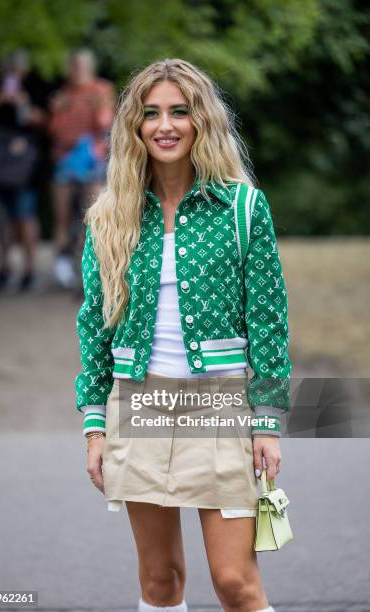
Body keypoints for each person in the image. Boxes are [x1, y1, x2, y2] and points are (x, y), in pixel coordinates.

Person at [75, 59, 292, 612]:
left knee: (235, 583)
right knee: (161, 581)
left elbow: (268, 321)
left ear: (201, 121)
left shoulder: (243, 208)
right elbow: (95, 326)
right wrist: (95, 426)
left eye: (179, 111)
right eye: (150, 114)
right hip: (139, 403)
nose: (164, 125)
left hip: (220, 407)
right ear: (134, 126)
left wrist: (266, 422)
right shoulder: (110, 216)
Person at [0, 49, 45, 292]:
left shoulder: (33, 88)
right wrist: (0, 98)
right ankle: (4, 268)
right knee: (2, 214)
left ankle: (29, 269)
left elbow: (40, 121)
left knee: (24, 214)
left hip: (25, 163)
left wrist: (22, 103)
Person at [48, 48, 116, 288]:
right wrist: (59, 110)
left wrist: (98, 107)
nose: (77, 71)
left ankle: (93, 268)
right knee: (62, 217)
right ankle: (63, 263)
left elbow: (105, 124)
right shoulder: (64, 94)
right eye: (74, 66)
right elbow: (55, 130)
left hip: (92, 159)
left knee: (92, 216)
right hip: (65, 159)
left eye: (81, 66)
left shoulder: (101, 90)